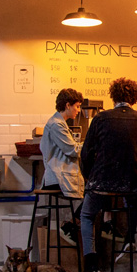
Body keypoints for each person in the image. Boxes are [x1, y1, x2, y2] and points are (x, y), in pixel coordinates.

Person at [78, 77, 137, 272]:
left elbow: (86, 154)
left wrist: (90, 179)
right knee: (132, 201)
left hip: (101, 182)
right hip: (131, 182)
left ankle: (91, 265)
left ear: (113, 96)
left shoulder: (100, 119)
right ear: (135, 97)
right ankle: (130, 239)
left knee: (87, 215)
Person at [39, 88, 84, 243]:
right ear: (67, 105)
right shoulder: (57, 125)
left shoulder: (59, 123)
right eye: (77, 106)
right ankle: (71, 225)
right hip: (57, 178)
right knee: (94, 192)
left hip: (58, 175)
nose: (78, 110)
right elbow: (72, 150)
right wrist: (92, 145)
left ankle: (72, 224)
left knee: (93, 192)